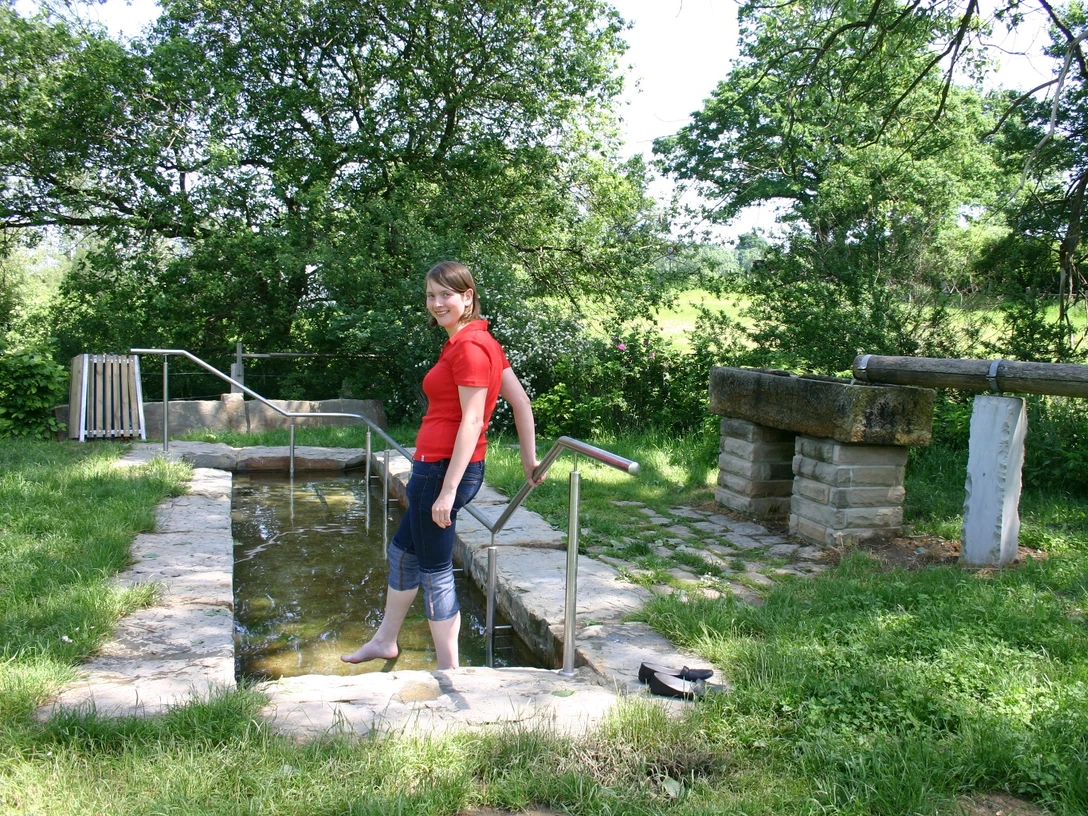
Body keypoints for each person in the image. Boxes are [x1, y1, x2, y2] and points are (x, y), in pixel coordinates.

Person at [341, 261, 542, 670]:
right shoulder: (477, 340)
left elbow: (471, 420)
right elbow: (520, 402)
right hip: (437, 467)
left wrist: (448, 491)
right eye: (430, 296)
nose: (436, 303)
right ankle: (385, 640)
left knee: (435, 568)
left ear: (467, 296)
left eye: (445, 295)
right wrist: (528, 459)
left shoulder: (469, 347)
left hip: (442, 470)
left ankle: (450, 670)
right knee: (402, 552)